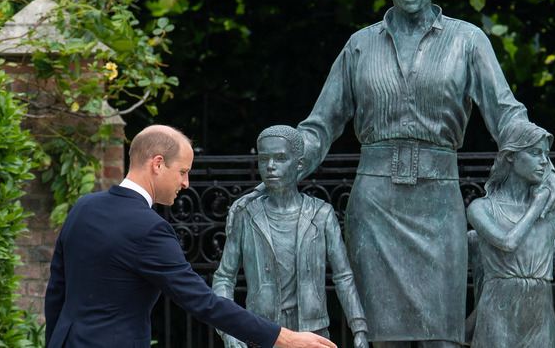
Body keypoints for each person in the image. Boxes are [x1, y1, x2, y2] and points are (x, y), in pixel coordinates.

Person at [286, 0, 555, 347]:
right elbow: (319, 127)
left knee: (443, 338)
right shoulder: (360, 46)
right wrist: (288, 157)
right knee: (384, 338)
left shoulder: (468, 41)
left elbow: (506, 115)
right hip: (375, 208)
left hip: (438, 200)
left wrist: (538, 159)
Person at [44, 125, 337, 348]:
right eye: (183, 171)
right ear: (157, 164)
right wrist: (283, 338)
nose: (186, 183)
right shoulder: (150, 229)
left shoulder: (84, 207)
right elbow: (203, 302)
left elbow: (57, 289)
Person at [212, 126, 368, 348]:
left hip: (312, 333)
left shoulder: (321, 214)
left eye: (281, 158)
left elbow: (343, 277)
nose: (271, 167)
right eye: (263, 159)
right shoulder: (246, 216)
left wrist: (359, 328)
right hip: (261, 332)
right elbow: (224, 278)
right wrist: (228, 330)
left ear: (300, 164)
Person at [466, 121, 555, 348]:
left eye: (546, 155)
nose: (544, 162)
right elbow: (508, 242)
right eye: (535, 153)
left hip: (539, 312)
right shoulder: (482, 208)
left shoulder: (554, 210)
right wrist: (536, 206)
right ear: (511, 156)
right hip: (498, 311)